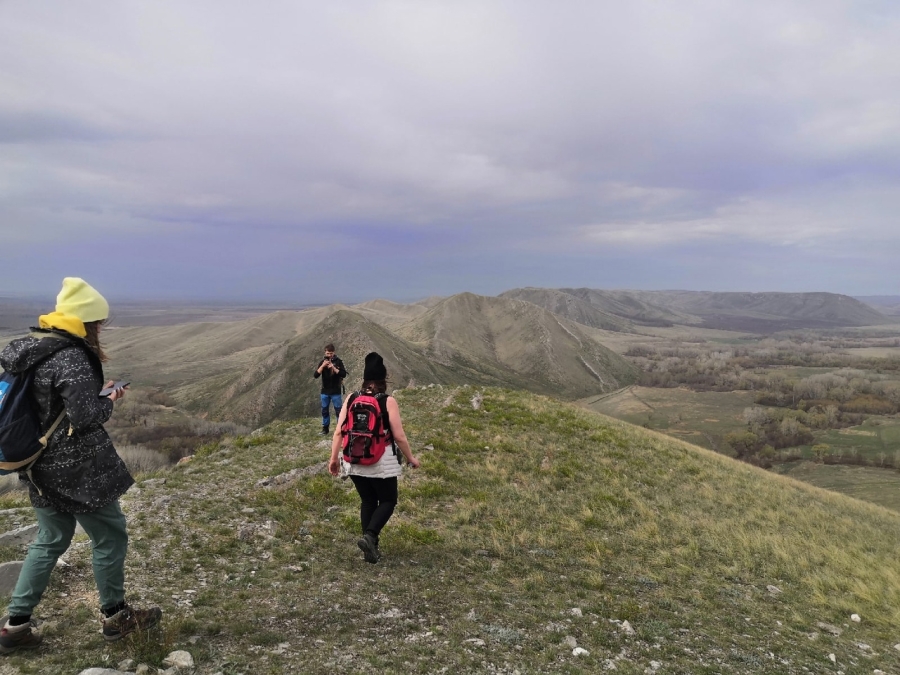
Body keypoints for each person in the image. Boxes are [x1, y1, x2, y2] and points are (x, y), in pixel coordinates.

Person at [0, 278, 161, 654]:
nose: (101, 329)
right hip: (77, 469)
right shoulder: (71, 355)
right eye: (99, 322)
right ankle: (116, 617)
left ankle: (15, 625)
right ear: (88, 321)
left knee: (50, 539)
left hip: (37, 464)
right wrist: (110, 400)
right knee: (110, 536)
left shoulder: (28, 349)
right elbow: (85, 415)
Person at [328, 352, 420, 563]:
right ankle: (370, 537)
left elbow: (339, 432)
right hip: (381, 461)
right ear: (383, 378)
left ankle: (370, 549)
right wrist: (411, 458)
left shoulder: (351, 398)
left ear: (365, 378)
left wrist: (334, 459)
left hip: (353, 460)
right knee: (388, 500)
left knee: (368, 500)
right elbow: (398, 436)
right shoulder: (388, 401)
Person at [313, 343, 346, 435]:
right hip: (325, 391)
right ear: (325, 353)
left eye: (331, 353)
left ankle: (340, 429)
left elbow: (343, 374)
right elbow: (316, 375)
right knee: (324, 410)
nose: (329, 355)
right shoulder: (322, 362)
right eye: (328, 353)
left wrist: (334, 368)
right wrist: (323, 366)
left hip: (336, 391)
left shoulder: (338, 361)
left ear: (334, 353)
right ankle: (325, 429)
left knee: (338, 411)